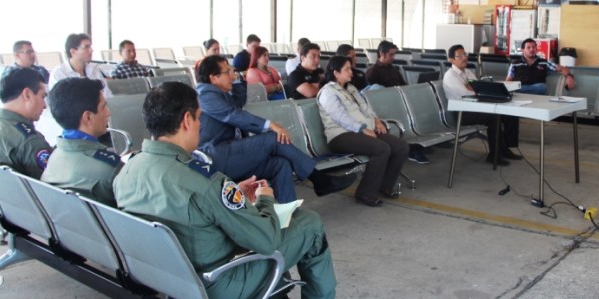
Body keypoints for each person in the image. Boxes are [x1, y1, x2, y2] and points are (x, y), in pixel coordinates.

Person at [113, 81, 337, 298]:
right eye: (199, 118)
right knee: (310, 224)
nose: (201, 126)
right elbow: (266, 241)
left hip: (167, 277)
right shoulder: (205, 181)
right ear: (186, 120)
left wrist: (234, 193)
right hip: (217, 283)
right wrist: (264, 201)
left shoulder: (126, 171)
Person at [196, 55, 355, 203]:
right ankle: (320, 179)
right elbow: (233, 114)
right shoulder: (204, 95)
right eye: (227, 72)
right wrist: (270, 124)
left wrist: (237, 80)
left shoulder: (218, 93)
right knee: (273, 137)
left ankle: (288, 214)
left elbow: (238, 103)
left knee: (280, 164)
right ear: (214, 78)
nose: (232, 74)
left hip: (233, 154)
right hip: (217, 156)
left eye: (232, 70)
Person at [317, 56, 408, 207]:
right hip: (340, 135)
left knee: (401, 147)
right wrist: (362, 129)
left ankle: (384, 186)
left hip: (363, 130)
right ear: (336, 73)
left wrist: (376, 120)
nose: (351, 72)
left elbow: (366, 108)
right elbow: (340, 117)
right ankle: (365, 193)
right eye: (347, 69)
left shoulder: (351, 89)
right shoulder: (328, 92)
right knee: (381, 148)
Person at [42, 77, 120, 206]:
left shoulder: (54, 156)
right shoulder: (110, 169)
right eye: (103, 107)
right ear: (88, 117)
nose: (108, 113)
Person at [443, 45, 521, 165]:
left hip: (474, 106)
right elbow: (468, 93)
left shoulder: (467, 72)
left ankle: (506, 148)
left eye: (465, 54)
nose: (464, 58)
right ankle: (494, 155)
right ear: (451, 60)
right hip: (461, 112)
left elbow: (478, 88)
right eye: (460, 56)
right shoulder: (450, 76)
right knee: (494, 117)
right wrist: (472, 88)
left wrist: (472, 88)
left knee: (510, 113)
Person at [364, 40, 429, 164]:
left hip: (399, 101)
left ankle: (418, 142)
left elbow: (403, 84)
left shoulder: (393, 69)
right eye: (391, 54)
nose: (393, 57)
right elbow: (375, 96)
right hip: (388, 106)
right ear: (382, 54)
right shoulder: (373, 72)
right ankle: (412, 148)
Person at [0, 68, 52, 179]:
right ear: (27, 95)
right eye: (42, 96)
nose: (45, 105)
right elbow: (52, 187)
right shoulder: (30, 141)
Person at [50, 33, 112, 98]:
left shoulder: (94, 71)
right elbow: (59, 102)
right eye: (86, 47)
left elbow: (107, 95)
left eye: (90, 46)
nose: (91, 50)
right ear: (73, 51)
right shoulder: (59, 73)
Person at [505, 38, 575, 95]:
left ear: (536, 49)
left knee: (541, 87)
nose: (531, 49)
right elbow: (508, 80)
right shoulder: (515, 64)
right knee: (514, 87)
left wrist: (569, 77)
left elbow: (562, 69)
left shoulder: (544, 62)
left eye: (533, 47)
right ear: (523, 50)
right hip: (519, 89)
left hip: (536, 92)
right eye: (528, 47)